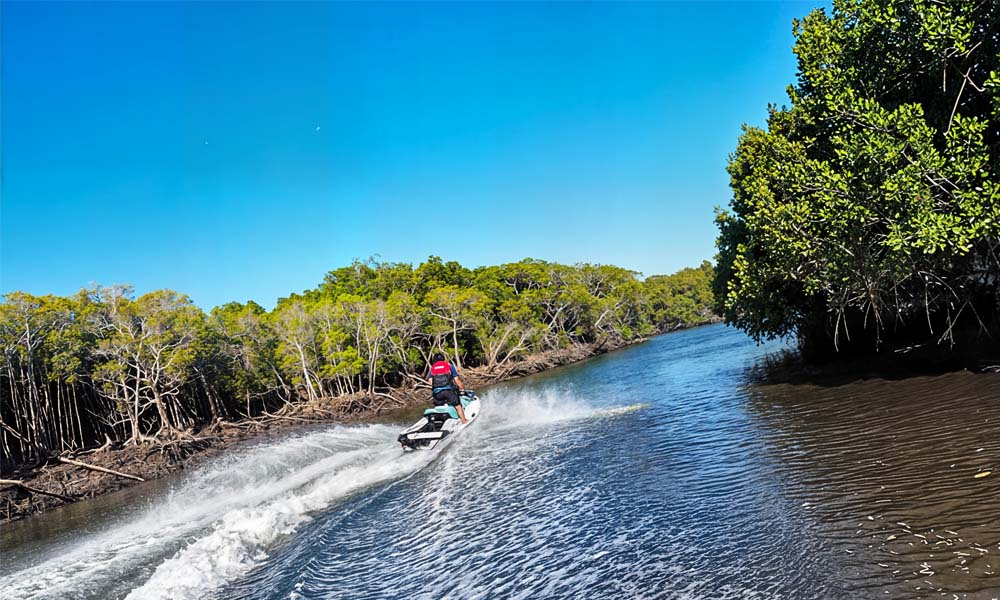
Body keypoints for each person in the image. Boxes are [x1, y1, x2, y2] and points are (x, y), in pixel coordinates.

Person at [426, 352, 469, 424]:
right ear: (443, 359)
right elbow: (457, 380)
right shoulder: (449, 365)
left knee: (440, 407)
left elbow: (430, 380)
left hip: (437, 393)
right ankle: (464, 421)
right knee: (458, 406)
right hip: (449, 391)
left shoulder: (432, 368)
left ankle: (440, 422)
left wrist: (436, 387)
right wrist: (461, 389)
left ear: (434, 360)